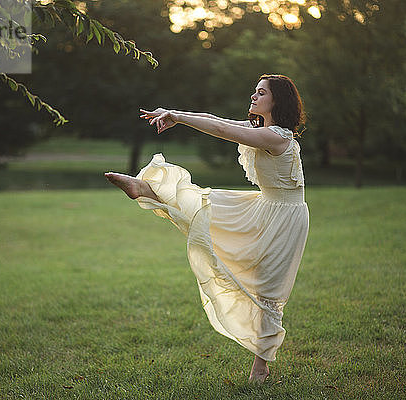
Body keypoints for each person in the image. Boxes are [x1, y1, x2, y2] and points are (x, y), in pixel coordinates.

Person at [104, 74, 309, 383]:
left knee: (268, 288)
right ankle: (146, 188)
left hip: (285, 215)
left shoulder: (277, 137)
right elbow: (214, 119)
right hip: (263, 205)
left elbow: (220, 129)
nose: (253, 96)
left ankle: (260, 368)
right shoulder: (260, 129)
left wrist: (177, 117)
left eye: (261, 92)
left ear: (276, 100)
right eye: (254, 91)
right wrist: (174, 114)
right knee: (206, 203)